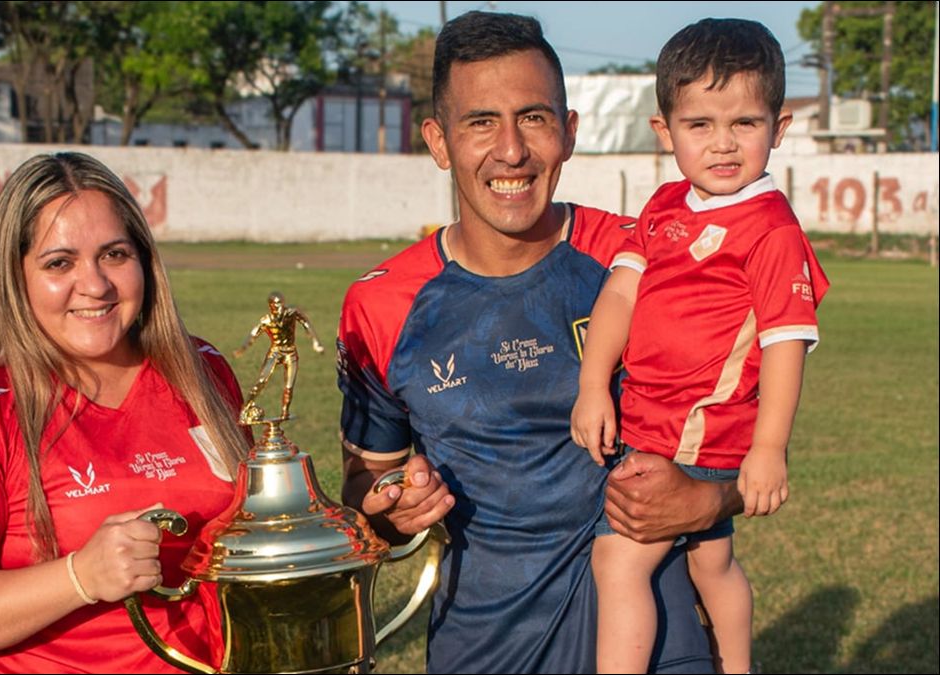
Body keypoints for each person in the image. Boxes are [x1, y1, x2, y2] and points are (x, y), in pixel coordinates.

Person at [337, 11, 732, 674]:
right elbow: (361, 488)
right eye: (481, 121)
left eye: (534, 117)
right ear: (439, 141)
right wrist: (393, 506)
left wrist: (709, 498)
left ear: (569, 131)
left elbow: (752, 438)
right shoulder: (380, 305)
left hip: (657, 638)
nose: (512, 150)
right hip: (485, 644)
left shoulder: (647, 260)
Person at [0, 152, 251, 673]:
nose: (96, 284)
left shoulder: (202, 370)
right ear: (15, 278)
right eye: (59, 262)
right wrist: (81, 576)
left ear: (144, 259)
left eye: (114, 254)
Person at [571, 19, 829, 674]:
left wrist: (769, 449)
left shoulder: (770, 229)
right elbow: (621, 296)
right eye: (700, 125)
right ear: (665, 131)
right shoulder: (663, 205)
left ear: (780, 126)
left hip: (692, 431)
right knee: (711, 561)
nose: (722, 144)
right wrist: (594, 382)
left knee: (618, 557)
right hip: (649, 420)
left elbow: (785, 343)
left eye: (744, 123)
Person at [233, 291, 325, 422]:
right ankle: (245, 408)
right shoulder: (266, 320)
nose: (279, 307)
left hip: (291, 352)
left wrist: (316, 342)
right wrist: (241, 349)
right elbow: (253, 335)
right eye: (276, 305)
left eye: (281, 303)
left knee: (289, 386)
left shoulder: (292, 313)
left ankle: (284, 412)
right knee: (261, 381)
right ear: (271, 306)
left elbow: (306, 323)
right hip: (275, 352)